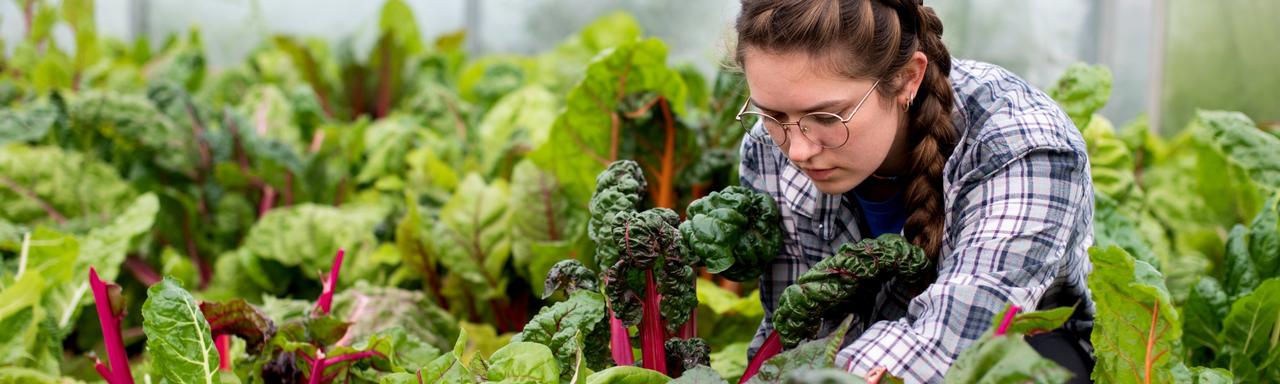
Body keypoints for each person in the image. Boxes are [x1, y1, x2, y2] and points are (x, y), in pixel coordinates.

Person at [733, 0, 1096, 382]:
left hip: (1008, 357)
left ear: (908, 78)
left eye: (827, 117)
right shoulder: (766, 147)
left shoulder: (1022, 143)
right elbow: (798, 334)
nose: (798, 150)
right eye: (772, 115)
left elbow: (957, 338)